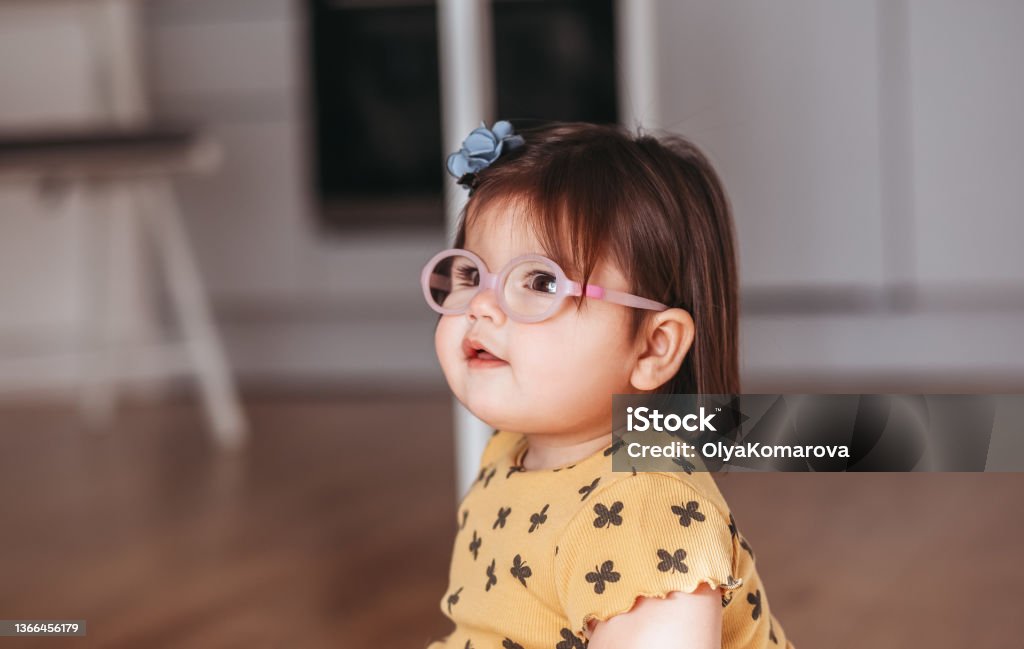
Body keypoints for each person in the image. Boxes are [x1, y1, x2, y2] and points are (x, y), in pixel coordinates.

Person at [421, 121, 793, 648]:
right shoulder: (511, 450)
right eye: (470, 275)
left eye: (541, 282)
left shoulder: (649, 512)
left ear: (652, 347)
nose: (481, 305)